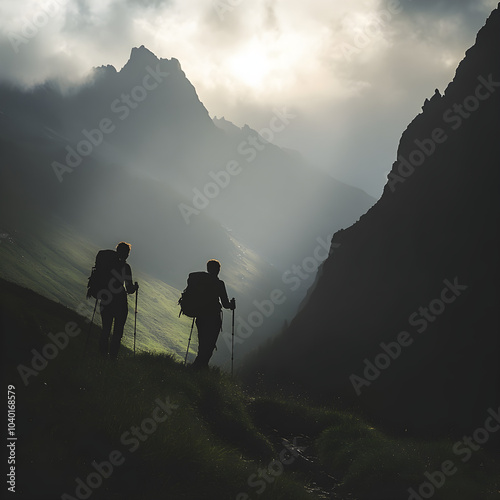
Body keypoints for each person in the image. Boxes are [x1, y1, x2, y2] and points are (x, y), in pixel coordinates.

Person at [190, 259, 235, 369]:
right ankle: (201, 367)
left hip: (200, 316)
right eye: (218, 269)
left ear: (208, 268)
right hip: (213, 318)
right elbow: (225, 304)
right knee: (209, 344)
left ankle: (197, 367)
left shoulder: (200, 281)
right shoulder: (219, 284)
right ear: (217, 270)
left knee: (202, 342)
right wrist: (232, 305)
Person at [99, 241, 138, 360]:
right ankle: (112, 358)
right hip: (120, 302)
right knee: (117, 333)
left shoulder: (108, 265)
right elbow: (129, 288)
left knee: (105, 329)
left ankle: (102, 356)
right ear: (126, 254)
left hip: (105, 300)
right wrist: (135, 288)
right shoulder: (125, 268)